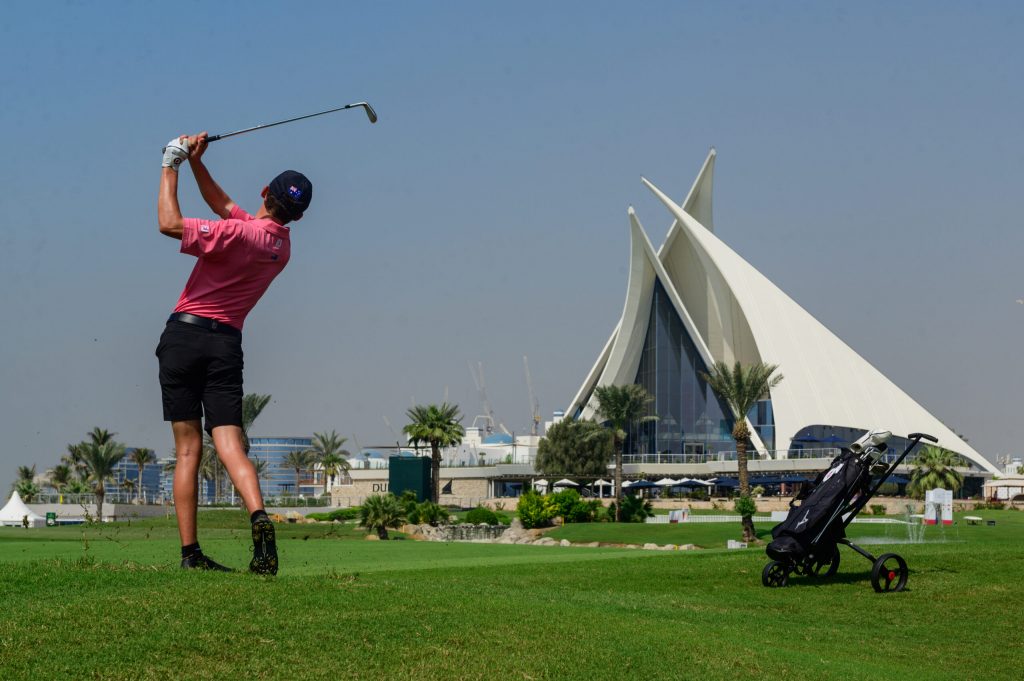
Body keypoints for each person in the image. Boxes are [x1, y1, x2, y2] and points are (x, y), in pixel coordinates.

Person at [156, 132, 312, 574]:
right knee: (229, 443)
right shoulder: (280, 247)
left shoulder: (238, 235)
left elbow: (168, 223)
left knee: (188, 451)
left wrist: (170, 162)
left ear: (265, 191)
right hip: (226, 342)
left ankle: (191, 555)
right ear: (298, 217)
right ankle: (259, 518)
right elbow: (225, 206)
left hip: (185, 337)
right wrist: (197, 164)